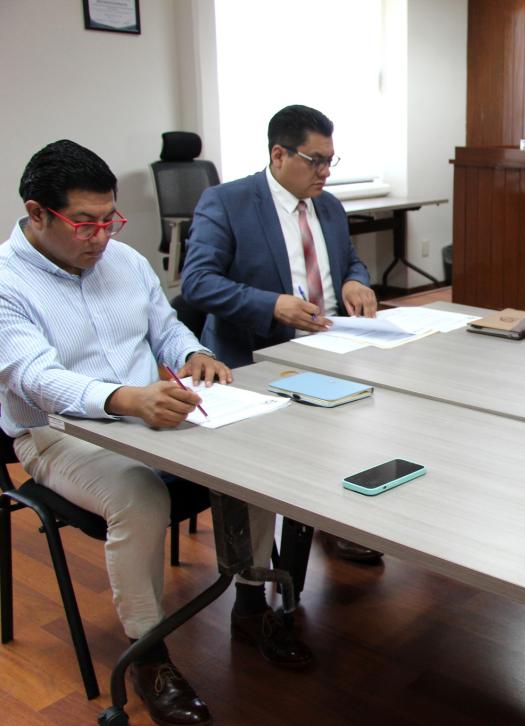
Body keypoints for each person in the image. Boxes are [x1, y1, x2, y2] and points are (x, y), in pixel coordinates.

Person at [0, 141, 312, 726]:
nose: (100, 237)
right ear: (37, 213)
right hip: (54, 434)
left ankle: (250, 605)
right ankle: (148, 655)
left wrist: (194, 354)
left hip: (149, 412)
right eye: (84, 223)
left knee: (253, 460)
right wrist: (125, 398)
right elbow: (35, 379)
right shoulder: (5, 282)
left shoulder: (125, 261)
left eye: (109, 220)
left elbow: (166, 329)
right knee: (138, 494)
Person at [182, 104, 382, 564]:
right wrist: (271, 305)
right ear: (279, 155)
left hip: (334, 345)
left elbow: (350, 261)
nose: (326, 172)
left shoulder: (328, 205)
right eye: (316, 161)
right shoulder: (227, 202)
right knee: (277, 458)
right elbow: (197, 282)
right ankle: (269, 566)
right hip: (260, 355)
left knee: (371, 418)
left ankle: (335, 517)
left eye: (331, 160)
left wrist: (356, 281)